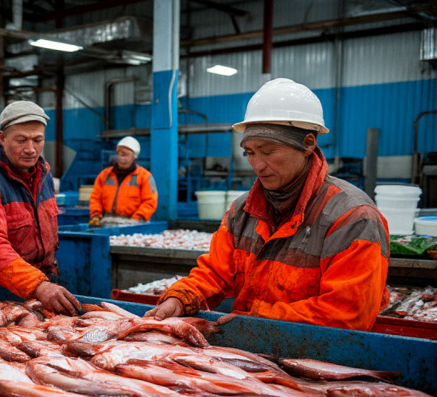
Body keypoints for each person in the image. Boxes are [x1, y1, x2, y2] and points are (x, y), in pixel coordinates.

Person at [145, 78, 390, 331]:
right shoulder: (242, 211)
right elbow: (216, 272)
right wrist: (182, 297)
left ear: (308, 144)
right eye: (250, 152)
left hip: (321, 360)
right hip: (250, 351)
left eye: (268, 151)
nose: (257, 165)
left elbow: (347, 313)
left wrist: (258, 320)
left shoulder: (353, 217)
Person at [0, 100, 81, 315]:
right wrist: (38, 285)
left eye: (38, 140)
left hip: (44, 282)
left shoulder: (43, 175)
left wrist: (44, 283)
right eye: (21, 140)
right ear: (2, 138)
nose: (30, 149)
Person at [89, 136, 158, 226]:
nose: (122, 158)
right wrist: (96, 216)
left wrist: (137, 219)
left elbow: (150, 201)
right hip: (106, 222)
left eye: (126, 155)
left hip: (134, 223)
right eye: (121, 154)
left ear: (134, 157)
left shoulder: (145, 176)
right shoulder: (104, 175)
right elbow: (95, 197)